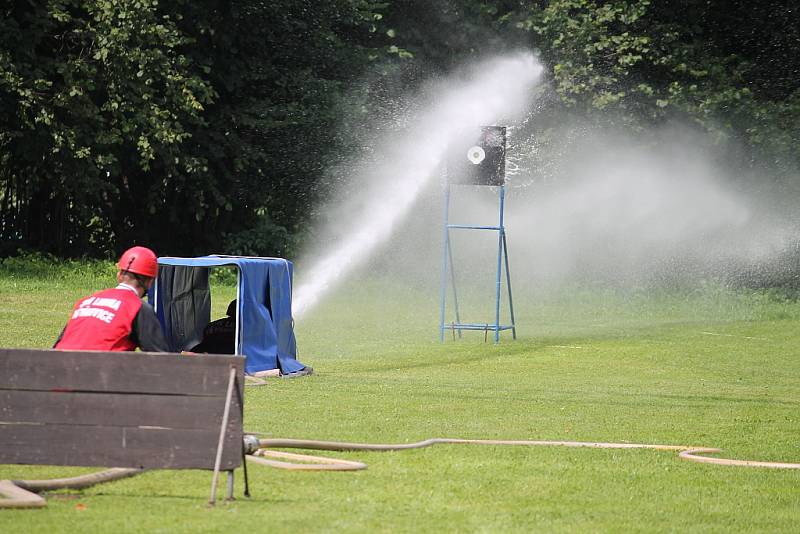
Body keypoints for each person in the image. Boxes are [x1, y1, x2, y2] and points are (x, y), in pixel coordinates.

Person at [54, 246, 169, 352]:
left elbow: (58, 346)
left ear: (119, 275)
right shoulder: (138, 307)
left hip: (55, 369)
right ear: (149, 282)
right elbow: (161, 359)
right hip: (99, 371)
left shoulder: (85, 302)